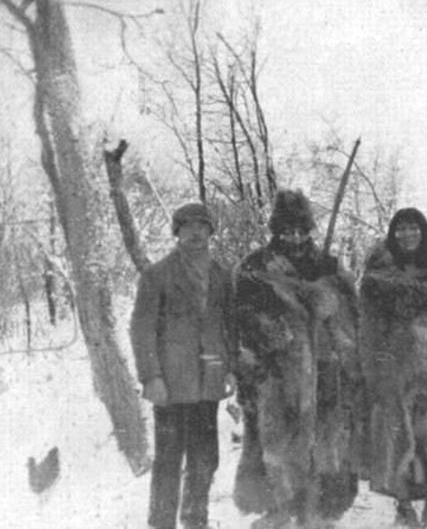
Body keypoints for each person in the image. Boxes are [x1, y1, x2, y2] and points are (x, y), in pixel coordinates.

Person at [233, 189, 363, 528]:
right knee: (276, 439)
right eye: (287, 230)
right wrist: (270, 330)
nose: (294, 237)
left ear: (308, 229)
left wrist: (325, 300)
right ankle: (278, 506)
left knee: (323, 438)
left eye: (300, 229)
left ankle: (317, 508)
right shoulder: (256, 265)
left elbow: (349, 311)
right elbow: (241, 312)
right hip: (275, 368)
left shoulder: (326, 264)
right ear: (277, 229)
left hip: (323, 364)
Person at [130, 202, 238, 529]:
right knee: (168, 462)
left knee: (205, 459)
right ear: (177, 232)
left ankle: (196, 521)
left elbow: (229, 325)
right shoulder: (157, 274)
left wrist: (231, 367)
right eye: (187, 226)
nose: (195, 233)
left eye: (202, 226)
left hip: (209, 380)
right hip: (171, 385)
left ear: (210, 231)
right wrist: (152, 377)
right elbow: (142, 328)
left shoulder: (221, 275)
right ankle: (161, 523)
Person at [359, 207, 427, 527]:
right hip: (394, 366)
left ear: (423, 231)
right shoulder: (377, 277)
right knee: (398, 437)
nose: (407, 234)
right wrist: (375, 362)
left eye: (413, 228)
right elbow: (369, 324)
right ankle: (403, 505)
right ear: (392, 234)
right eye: (400, 229)